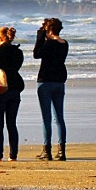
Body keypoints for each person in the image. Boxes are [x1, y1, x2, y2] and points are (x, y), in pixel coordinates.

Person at [0, 26, 25, 162]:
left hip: (0, 91)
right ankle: (13, 155)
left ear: (0, 38)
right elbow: (16, 69)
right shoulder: (18, 52)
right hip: (15, 90)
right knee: (12, 124)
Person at [34, 17, 69, 161]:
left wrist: (40, 38)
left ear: (48, 29)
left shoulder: (48, 44)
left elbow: (36, 54)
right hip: (59, 81)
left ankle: (46, 150)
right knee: (59, 117)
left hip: (45, 81)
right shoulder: (64, 43)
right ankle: (62, 151)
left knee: (46, 118)